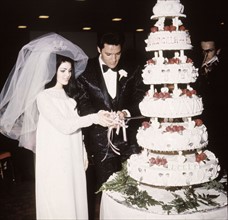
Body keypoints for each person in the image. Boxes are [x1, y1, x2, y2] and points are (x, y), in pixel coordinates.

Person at [0, 33, 112, 219]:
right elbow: (64, 126)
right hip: (56, 158)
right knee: (60, 200)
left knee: (75, 196)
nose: (67, 75)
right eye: (62, 70)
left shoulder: (69, 97)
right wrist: (94, 117)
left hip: (73, 154)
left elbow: (77, 130)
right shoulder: (44, 97)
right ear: (52, 71)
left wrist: (83, 152)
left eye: (69, 70)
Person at [75, 32, 149, 220]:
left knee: (135, 188)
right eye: (108, 54)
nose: (114, 59)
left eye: (117, 53)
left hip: (130, 141)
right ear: (99, 49)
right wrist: (98, 115)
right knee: (108, 190)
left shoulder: (133, 68)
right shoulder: (84, 70)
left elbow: (141, 97)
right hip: (101, 143)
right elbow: (82, 103)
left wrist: (127, 112)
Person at [195, 34, 226, 176]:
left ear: (217, 51)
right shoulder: (197, 66)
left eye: (210, 51)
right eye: (203, 51)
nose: (206, 54)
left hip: (219, 117)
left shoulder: (222, 68)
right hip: (201, 116)